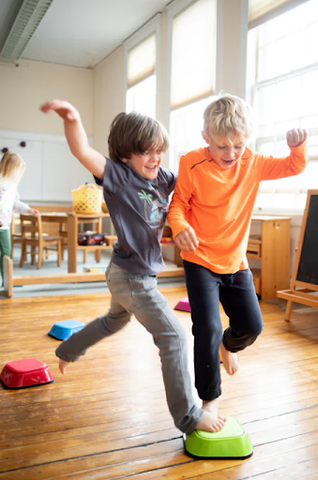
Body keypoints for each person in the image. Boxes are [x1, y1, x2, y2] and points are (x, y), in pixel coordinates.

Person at [40, 99, 227, 435]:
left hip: (125, 272)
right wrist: (73, 117)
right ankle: (187, 416)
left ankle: (68, 350)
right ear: (126, 156)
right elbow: (83, 150)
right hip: (133, 279)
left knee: (113, 321)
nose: (156, 159)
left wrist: (222, 150)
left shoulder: (162, 177)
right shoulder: (120, 177)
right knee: (173, 337)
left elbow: (192, 173)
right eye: (147, 152)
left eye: (159, 151)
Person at [167, 92, 308, 427]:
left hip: (234, 260)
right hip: (199, 258)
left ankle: (227, 345)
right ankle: (210, 400)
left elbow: (294, 166)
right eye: (221, 147)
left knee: (252, 326)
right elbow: (177, 205)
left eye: (238, 146)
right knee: (207, 327)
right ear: (206, 139)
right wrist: (180, 226)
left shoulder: (253, 162)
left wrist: (296, 147)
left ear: (247, 141)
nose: (230, 154)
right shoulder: (191, 162)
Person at [0, 152, 39, 284]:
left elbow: (15, 203)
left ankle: (6, 280)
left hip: (4, 226)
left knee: (6, 253)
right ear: (8, 168)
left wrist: (29, 209)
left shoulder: (12, 187)